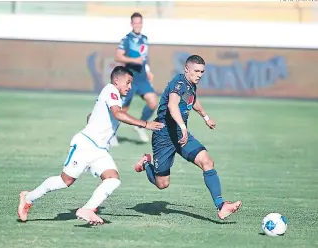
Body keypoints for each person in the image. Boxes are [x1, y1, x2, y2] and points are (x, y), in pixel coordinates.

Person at [17, 66, 164, 225]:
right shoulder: (111, 90)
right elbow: (118, 115)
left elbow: (93, 116)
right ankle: (28, 197)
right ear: (116, 80)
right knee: (64, 181)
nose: (130, 87)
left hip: (99, 150)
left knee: (113, 179)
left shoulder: (113, 96)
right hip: (86, 146)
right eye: (127, 83)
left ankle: (87, 209)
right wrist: (145, 124)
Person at [134, 55, 242, 220]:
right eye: (196, 71)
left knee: (207, 161)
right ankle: (146, 163)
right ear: (186, 69)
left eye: (202, 72)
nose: (199, 75)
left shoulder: (191, 84)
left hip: (180, 135)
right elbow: (172, 105)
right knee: (162, 184)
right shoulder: (178, 84)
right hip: (164, 135)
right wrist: (183, 126)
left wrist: (206, 118)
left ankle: (222, 206)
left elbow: (193, 101)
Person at [114, 12, 157, 144]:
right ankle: (111, 133)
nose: (138, 25)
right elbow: (118, 56)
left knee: (153, 102)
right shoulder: (126, 40)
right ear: (131, 24)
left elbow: (144, 58)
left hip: (143, 78)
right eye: (135, 22)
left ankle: (139, 126)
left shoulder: (144, 39)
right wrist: (134, 60)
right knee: (122, 110)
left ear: (142, 24)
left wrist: (148, 70)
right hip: (130, 79)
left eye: (140, 22)